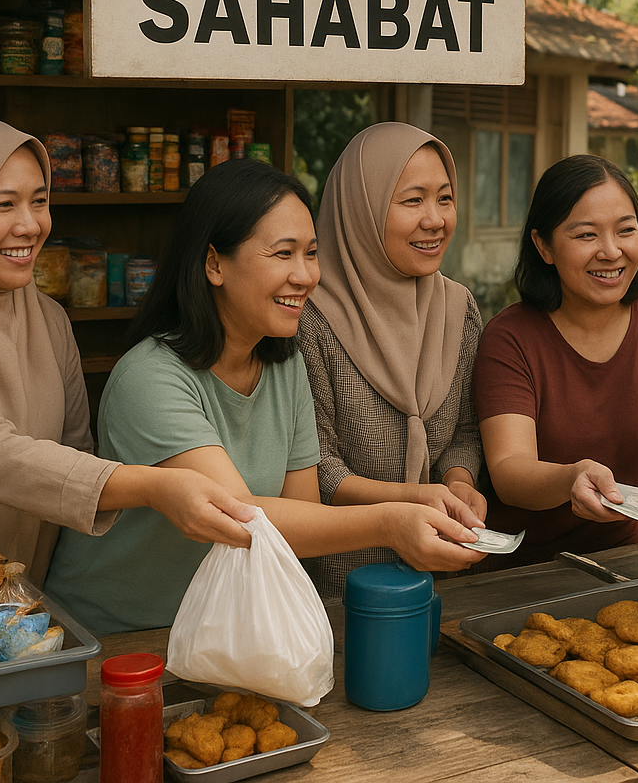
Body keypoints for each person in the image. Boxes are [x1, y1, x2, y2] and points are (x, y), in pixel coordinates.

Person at [45, 156, 482, 632]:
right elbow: (236, 518)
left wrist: (410, 505)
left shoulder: (284, 363)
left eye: (311, 253)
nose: (306, 275)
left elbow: (303, 514)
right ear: (214, 263)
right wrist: (391, 522)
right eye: (283, 253)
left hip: (219, 632)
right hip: (116, 638)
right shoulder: (150, 378)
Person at [0, 118, 256, 587]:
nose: (30, 224)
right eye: (3, 205)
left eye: (40, 201)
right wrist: (153, 486)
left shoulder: (50, 320)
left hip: (20, 606)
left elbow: (75, 449)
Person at [473, 154, 638, 567]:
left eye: (626, 230)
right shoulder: (510, 338)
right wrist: (572, 477)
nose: (611, 251)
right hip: (519, 571)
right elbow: (510, 470)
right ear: (544, 246)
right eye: (586, 235)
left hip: (622, 558)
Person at [296, 122, 486, 598]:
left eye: (445, 198)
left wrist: (458, 482)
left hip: (439, 572)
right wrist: (411, 501)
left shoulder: (458, 309)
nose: (435, 219)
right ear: (361, 209)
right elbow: (315, 467)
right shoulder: (309, 317)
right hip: (336, 587)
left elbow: (465, 427)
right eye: (412, 200)